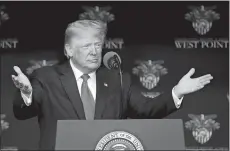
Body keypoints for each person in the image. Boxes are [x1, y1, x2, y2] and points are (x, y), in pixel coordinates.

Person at [12, 20, 213, 150]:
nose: (94, 52)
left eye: (97, 45)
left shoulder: (117, 79)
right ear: (69, 50)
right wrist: (26, 93)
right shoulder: (46, 77)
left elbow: (146, 109)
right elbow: (23, 112)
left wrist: (177, 92)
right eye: (86, 46)